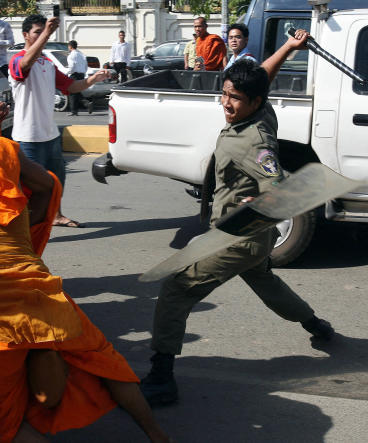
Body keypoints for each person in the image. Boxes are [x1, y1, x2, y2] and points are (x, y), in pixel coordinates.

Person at [0, 95, 172, 443]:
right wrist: (25, 228)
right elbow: (47, 185)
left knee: (7, 418)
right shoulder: (4, 151)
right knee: (105, 363)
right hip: (31, 279)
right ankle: (157, 436)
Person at [140, 30, 334, 406]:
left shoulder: (254, 141)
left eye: (234, 99)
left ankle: (161, 377)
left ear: (254, 102)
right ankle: (316, 325)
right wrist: (288, 48)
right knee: (265, 282)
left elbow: (284, 190)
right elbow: (261, 75)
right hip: (252, 242)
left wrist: (260, 199)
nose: (226, 103)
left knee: (176, 290)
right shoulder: (262, 107)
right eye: (225, 94)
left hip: (237, 237)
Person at [9, 15, 109, 228]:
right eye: (37, 32)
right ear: (25, 35)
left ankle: (56, 216)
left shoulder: (46, 64)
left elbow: (71, 87)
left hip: (51, 135)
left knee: (56, 181)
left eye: (42, 32)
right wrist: (47, 33)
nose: (41, 35)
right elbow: (25, 65)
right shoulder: (18, 60)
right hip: (28, 138)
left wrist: (93, 79)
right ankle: (27, 228)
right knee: (31, 187)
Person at [66, 40, 93, 116]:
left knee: (72, 92)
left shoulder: (71, 56)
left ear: (70, 47)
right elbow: (86, 66)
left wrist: (67, 73)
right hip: (81, 75)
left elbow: (71, 67)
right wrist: (83, 73)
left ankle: (74, 111)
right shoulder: (81, 55)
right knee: (77, 92)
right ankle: (87, 103)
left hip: (75, 75)